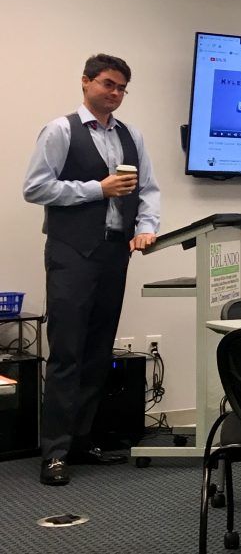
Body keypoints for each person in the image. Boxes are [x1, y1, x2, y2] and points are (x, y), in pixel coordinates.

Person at [23, 54, 161, 486]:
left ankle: (81, 441)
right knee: (67, 352)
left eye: (121, 87)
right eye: (107, 84)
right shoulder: (61, 130)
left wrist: (146, 226)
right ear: (85, 83)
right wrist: (95, 189)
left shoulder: (131, 136)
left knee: (100, 351)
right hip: (71, 253)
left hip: (114, 253)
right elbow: (35, 187)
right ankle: (55, 452)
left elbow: (149, 190)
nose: (115, 93)